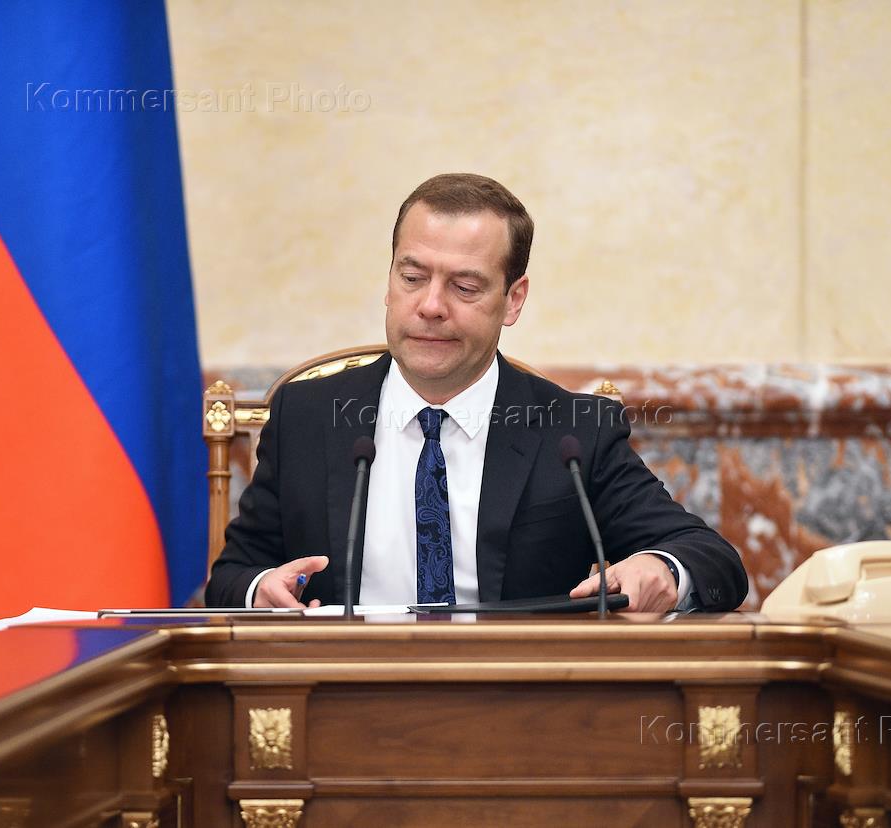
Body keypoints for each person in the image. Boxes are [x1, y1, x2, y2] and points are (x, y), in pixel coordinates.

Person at [204, 173, 747, 612]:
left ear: (513, 300)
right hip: (342, 693)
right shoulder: (308, 416)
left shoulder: (573, 431)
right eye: (412, 277)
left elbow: (711, 559)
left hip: (514, 700)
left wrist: (661, 569)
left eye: (464, 287)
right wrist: (262, 590)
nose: (431, 306)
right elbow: (232, 577)